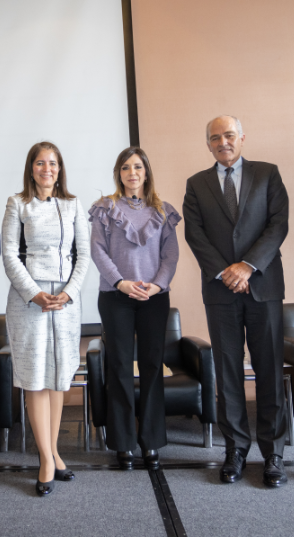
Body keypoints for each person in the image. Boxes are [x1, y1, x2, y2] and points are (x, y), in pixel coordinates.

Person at [183, 115, 290, 487]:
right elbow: (195, 235)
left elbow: (278, 225)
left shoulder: (268, 174)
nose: (223, 142)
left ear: (242, 137)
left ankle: (274, 453)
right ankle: (236, 451)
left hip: (263, 286)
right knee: (228, 372)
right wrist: (227, 272)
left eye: (229, 135)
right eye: (215, 138)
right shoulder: (196, 184)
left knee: (269, 371)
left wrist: (246, 267)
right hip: (219, 291)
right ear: (208, 144)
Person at [1, 142, 89, 496]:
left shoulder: (72, 204)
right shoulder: (17, 203)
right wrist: (34, 293)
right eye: (40, 163)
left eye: (53, 163)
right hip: (29, 301)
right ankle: (46, 459)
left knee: (58, 378)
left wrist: (69, 292)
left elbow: (82, 254)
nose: (47, 168)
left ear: (60, 168)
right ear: (31, 168)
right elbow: (9, 254)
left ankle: (53, 451)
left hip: (66, 301)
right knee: (35, 377)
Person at [88, 146, 181, 470]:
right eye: (126, 168)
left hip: (154, 297)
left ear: (146, 172)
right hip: (116, 297)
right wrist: (121, 283)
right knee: (120, 367)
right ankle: (124, 443)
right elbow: (98, 251)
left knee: (154, 366)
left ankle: (151, 441)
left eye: (137, 167)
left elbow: (171, 255)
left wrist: (156, 285)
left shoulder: (163, 210)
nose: (132, 173)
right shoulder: (104, 208)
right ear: (119, 173)